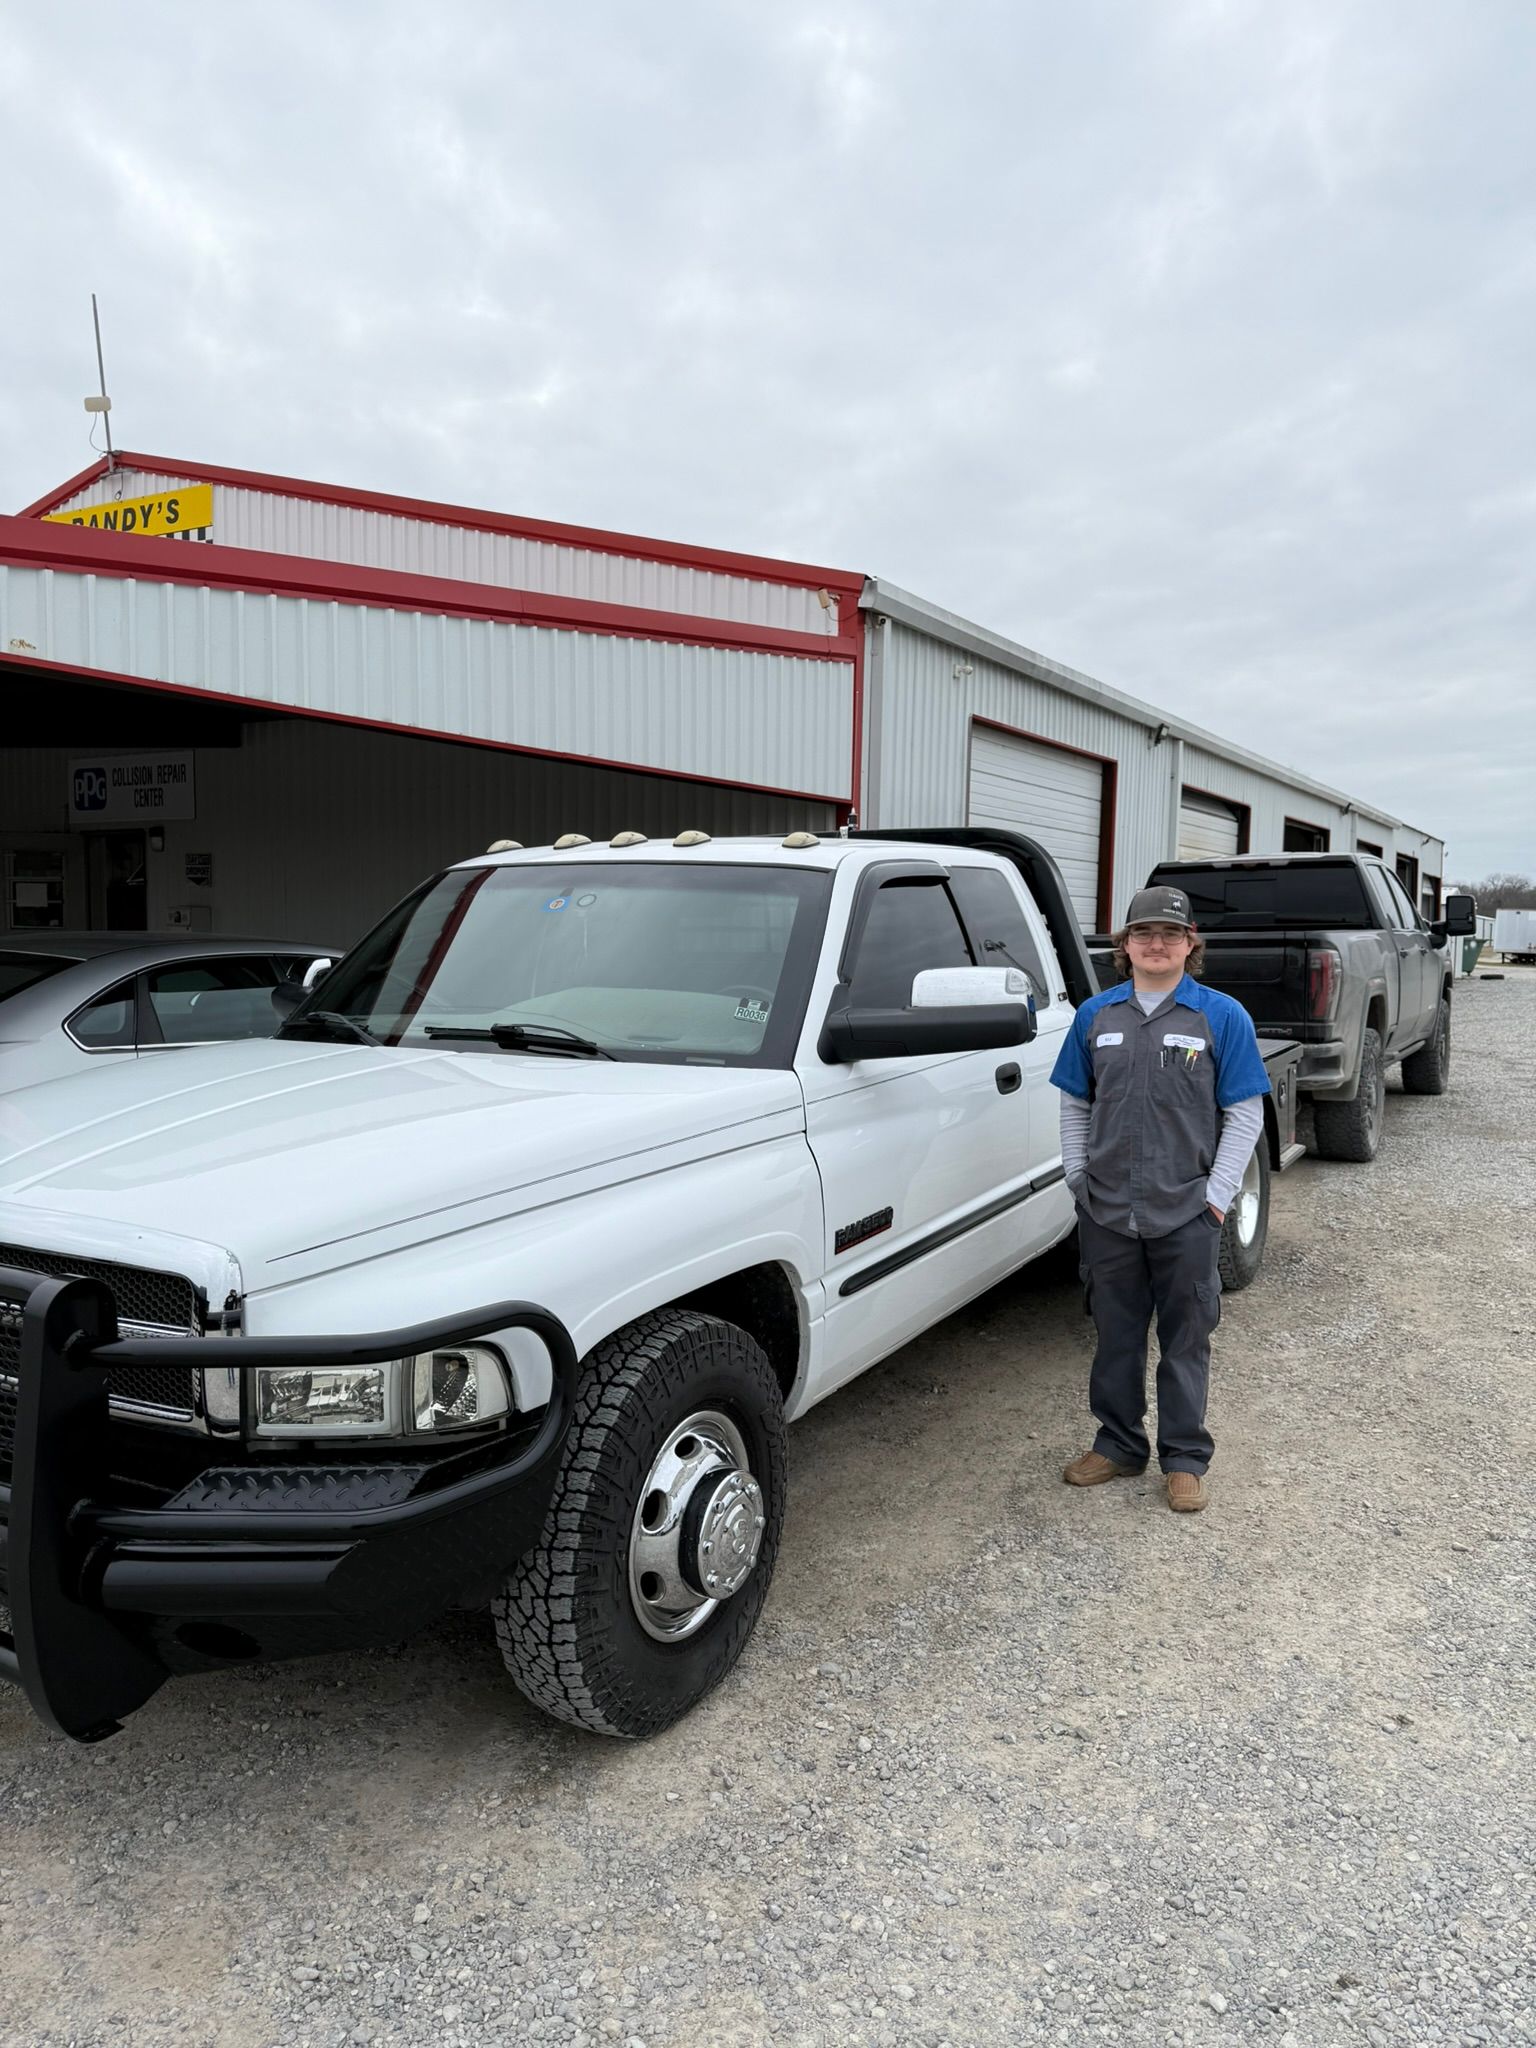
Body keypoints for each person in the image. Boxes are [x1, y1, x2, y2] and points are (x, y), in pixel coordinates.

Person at [1050, 884, 1270, 1512]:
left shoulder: (1221, 1017)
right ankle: (1118, 1445)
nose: (1156, 944)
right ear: (1123, 945)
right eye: (1143, 933)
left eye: (1170, 934)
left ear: (1189, 943)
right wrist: (1077, 1178)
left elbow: (1244, 1113)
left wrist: (1216, 1198)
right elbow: (1075, 1103)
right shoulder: (1096, 1016)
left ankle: (1184, 1459)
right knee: (1115, 1334)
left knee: (1186, 1339)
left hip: (1186, 1211)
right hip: (1108, 1210)